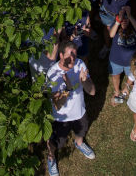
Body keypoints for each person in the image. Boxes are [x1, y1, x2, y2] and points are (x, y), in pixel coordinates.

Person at [44, 42, 96, 176]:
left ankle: (79, 144)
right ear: (61, 55)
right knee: (55, 143)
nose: (73, 57)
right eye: (70, 53)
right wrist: (67, 89)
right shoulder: (53, 73)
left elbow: (92, 92)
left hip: (79, 112)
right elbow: (57, 104)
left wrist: (84, 81)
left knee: (81, 132)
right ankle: (51, 158)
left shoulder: (80, 64)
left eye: (75, 53)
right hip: (61, 117)